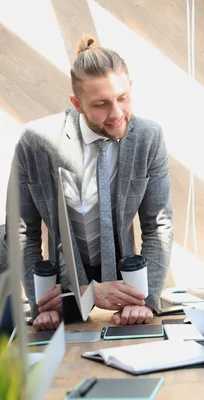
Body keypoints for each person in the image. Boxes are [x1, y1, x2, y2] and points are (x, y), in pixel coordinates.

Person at [8, 36, 173, 331]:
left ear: (131, 88)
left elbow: (158, 226)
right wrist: (40, 304)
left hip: (128, 281)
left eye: (123, 98)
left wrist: (145, 298)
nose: (117, 114)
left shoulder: (149, 137)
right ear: (77, 104)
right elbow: (23, 233)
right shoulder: (36, 142)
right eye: (101, 104)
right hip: (60, 290)